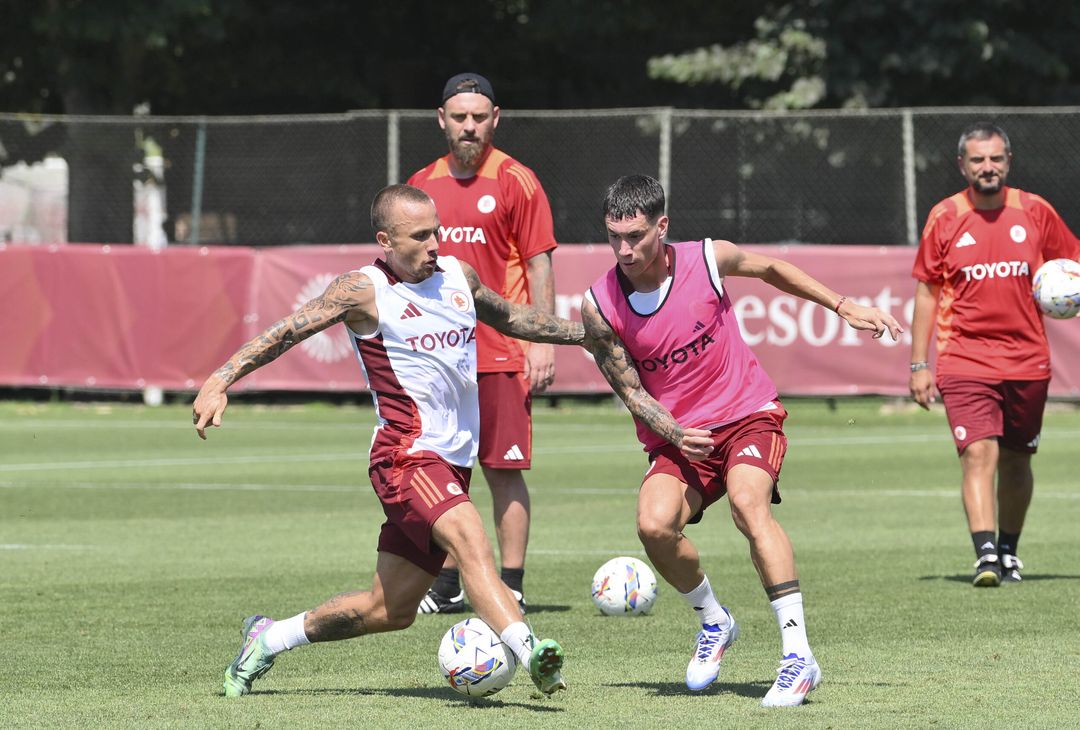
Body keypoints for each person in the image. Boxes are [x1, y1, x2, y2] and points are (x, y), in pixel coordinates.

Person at [193, 184, 581, 698]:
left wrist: (586, 334)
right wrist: (221, 379)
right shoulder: (363, 290)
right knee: (470, 538)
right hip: (405, 457)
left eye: (436, 231)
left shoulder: (458, 276)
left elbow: (511, 317)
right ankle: (531, 652)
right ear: (386, 240)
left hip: (451, 463)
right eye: (419, 236)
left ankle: (269, 638)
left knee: (389, 610)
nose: (434, 244)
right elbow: (288, 331)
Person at [581, 174, 902, 707]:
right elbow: (632, 393)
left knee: (749, 506)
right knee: (653, 526)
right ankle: (714, 620)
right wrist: (675, 433)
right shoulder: (600, 303)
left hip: (748, 413)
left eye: (635, 235)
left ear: (662, 227)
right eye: (614, 236)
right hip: (680, 437)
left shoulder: (708, 259)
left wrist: (844, 307)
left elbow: (774, 269)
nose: (624, 249)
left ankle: (798, 655)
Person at [407, 73, 558, 615]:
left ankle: (511, 584)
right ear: (441, 119)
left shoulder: (518, 180)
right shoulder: (421, 185)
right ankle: (447, 586)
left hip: (503, 352)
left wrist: (541, 340)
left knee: (502, 467)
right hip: (441, 353)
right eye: (459, 116)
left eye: (479, 116)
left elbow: (539, 260)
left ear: (495, 118)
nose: (469, 126)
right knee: (443, 467)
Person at [909, 122, 1080, 588]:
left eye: (996, 158)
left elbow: (1073, 265)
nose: (988, 167)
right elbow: (927, 293)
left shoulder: (1035, 211)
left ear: (1008, 161)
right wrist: (919, 364)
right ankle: (985, 556)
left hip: (1028, 361)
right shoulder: (945, 216)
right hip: (965, 359)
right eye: (979, 159)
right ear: (962, 165)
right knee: (977, 454)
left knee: (1018, 460)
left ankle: (1008, 550)